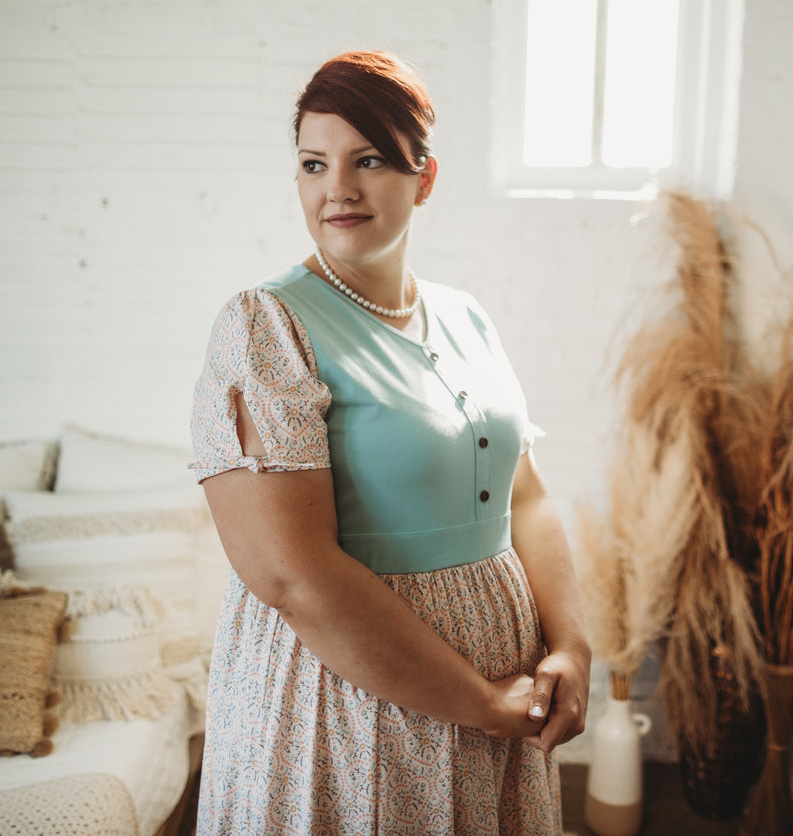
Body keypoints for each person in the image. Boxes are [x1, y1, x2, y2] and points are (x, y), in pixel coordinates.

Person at [189, 50, 590, 835]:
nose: (336, 188)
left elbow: (526, 495)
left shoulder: (466, 316)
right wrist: (476, 700)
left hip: (506, 691)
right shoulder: (265, 325)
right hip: (348, 699)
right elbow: (290, 575)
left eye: (366, 159)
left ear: (424, 177)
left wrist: (571, 644)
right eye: (313, 163)